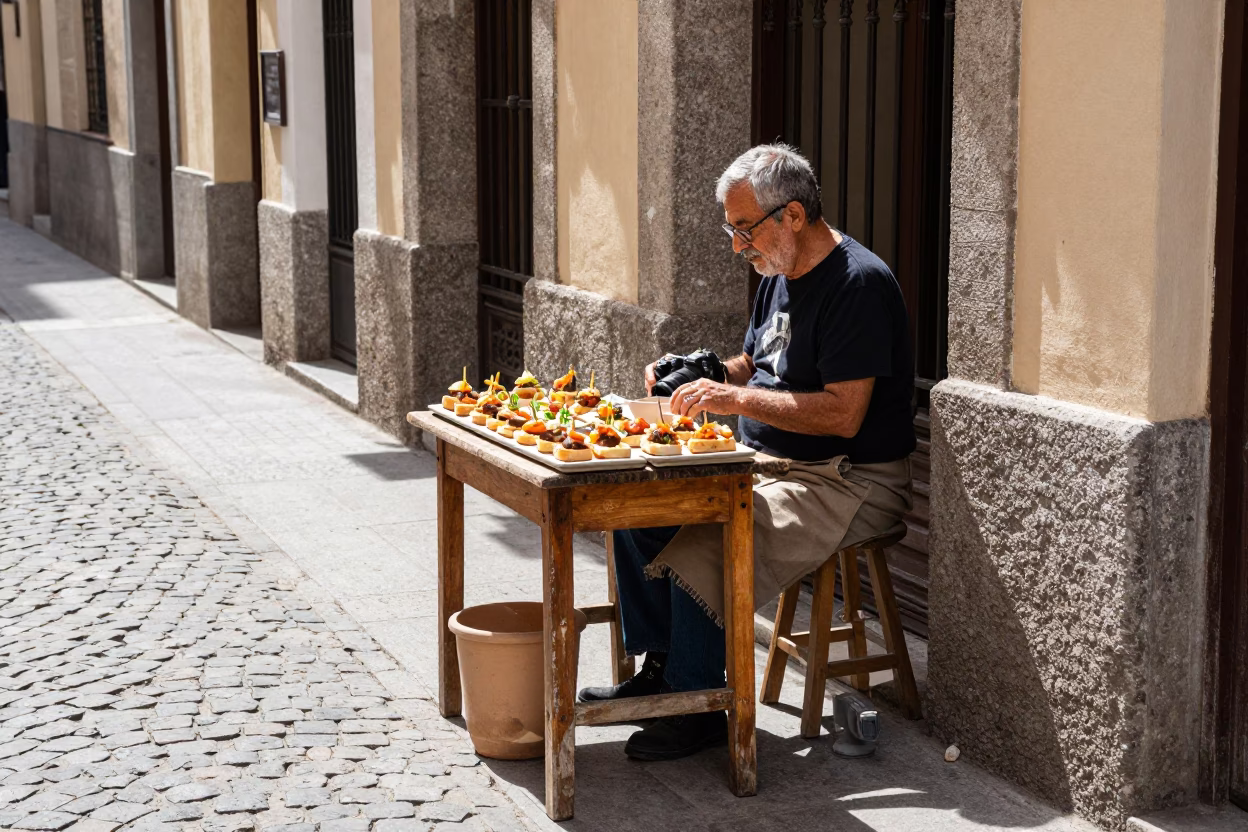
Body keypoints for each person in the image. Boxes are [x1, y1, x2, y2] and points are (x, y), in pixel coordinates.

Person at [577, 144, 917, 761]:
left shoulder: (857, 284)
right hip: (772, 461)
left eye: (744, 229)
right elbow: (760, 366)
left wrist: (732, 400)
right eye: (731, 231)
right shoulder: (777, 270)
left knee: (712, 536)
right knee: (638, 502)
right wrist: (701, 374)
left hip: (847, 479)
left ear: (791, 215)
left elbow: (844, 413)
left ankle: (703, 702)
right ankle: (667, 671)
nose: (738, 246)